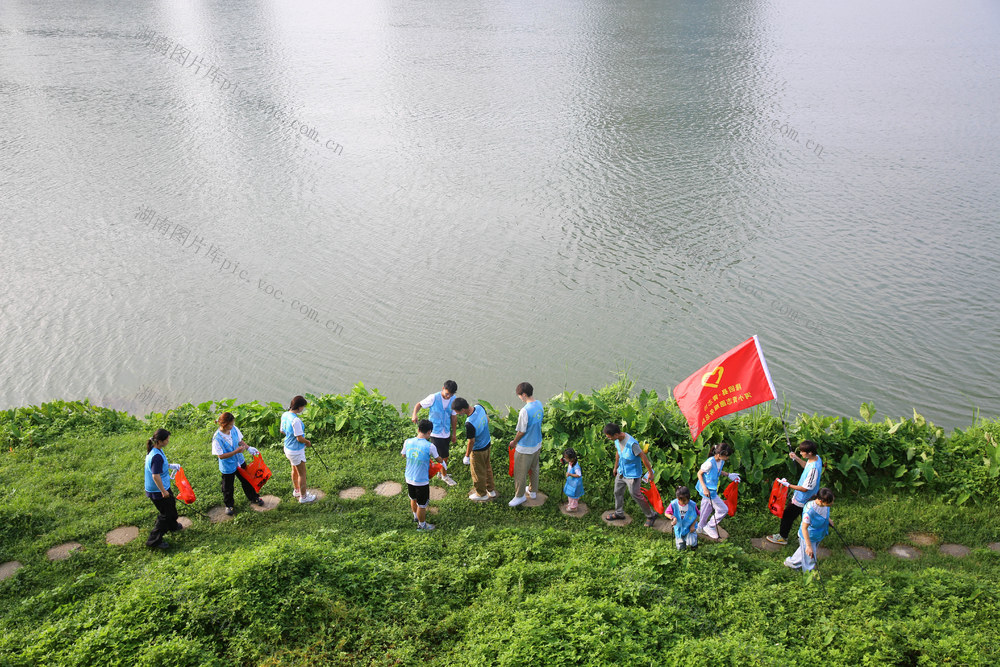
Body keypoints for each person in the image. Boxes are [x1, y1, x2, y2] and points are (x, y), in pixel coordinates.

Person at [767, 440, 823, 546]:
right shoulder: (816, 458)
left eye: (802, 452)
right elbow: (806, 465)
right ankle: (807, 538)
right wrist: (796, 458)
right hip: (806, 497)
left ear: (810, 453)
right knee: (806, 518)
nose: (801, 453)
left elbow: (805, 489)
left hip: (803, 498)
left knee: (788, 515)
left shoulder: (814, 469)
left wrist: (787, 485)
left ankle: (783, 537)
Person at [603, 423, 658, 527]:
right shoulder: (617, 440)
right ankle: (619, 513)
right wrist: (615, 467)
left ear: (616, 434)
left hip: (632, 475)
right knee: (617, 492)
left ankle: (651, 515)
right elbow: (618, 452)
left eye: (609, 437)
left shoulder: (632, 444)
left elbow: (643, 457)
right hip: (621, 472)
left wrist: (650, 472)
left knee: (635, 495)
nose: (608, 439)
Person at [212, 412, 265, 515]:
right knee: (228, 487)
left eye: (233, 424)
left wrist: (248, 448)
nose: (232, 426)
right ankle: (229, 505)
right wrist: (236, 451)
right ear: (224, 424)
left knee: (247, 480)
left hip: (239, 461)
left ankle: (254, 497)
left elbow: (240, 441)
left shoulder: (234, 429)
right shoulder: (217, 438)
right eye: (230, 425)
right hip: (228, 465)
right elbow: (220, 456)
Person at [410, 380, 459, 486]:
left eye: (451, 395)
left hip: (446, 432)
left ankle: (440, 472)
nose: (448, 396)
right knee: (444, 456)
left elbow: (454, 417)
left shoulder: (453, 400)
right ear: (443, 388)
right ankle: (444, 476)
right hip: (435, 432)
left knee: (443, 454)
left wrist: (454, 434)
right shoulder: (433, 397)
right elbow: (419, 405)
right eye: (447, 394)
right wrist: (414, 414)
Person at [402, 419, 447, 531]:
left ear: (418, 429)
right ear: (429, 432)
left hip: (409, 477)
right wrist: (443, 462)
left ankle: (416, 517)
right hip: (421, 480)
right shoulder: (430, 446)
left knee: (413, 498)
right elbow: (438, 459)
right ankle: (422, 526)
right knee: (422, 505)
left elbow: (403, 455)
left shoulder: (407, 442)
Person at [144, 428, 181, 550]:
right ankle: (153, 541)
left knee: (171, 506)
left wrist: (170, 466)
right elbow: (155, 476)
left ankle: (173, 526)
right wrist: (163, 491)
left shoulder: (156, 450)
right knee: (166, 514)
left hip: (162, 487)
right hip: (158, 490)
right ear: (159, 441)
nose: (168, 441)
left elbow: (159, 467)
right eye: (166, 440)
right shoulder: (156, 456)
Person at [508, 382, 543, 507]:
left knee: (520, 472)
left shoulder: (525, 410)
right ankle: (533, 491)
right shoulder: (539, 404)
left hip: (525, 447)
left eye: (519, 395)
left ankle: (519, 496)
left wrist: (514, 442)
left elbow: (521, 431)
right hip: (537, 443)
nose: (519, 398)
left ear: (524, 395)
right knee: (534, 469)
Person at [454, 397, 496, 501]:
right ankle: (491, 490)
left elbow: (471, 441)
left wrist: (467, 456)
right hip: (487, 443)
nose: (457, 414)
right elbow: (487, 420)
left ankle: (481, 494)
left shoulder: (469, 423)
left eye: (457, 412)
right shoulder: (479, 407)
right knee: (487, 468)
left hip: (478, 450)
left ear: (462, 410)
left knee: (477, 473)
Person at [696, 442, 740, 539]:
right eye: (726, 456)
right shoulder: (709, 463)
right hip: (707, 491)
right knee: (723, 509)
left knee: (706, 508)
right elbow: (699, 474)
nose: (727, 458)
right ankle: (710, 526)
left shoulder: (720, 461)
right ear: (720, 455)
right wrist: (704, 488)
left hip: (712, 490)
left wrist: (728, 474)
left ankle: (700, 526)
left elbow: (717, 471)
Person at [784, 487, 835, 571]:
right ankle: (809, 574)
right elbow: (804, 528)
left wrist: (828, 520)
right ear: (821, 501)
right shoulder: (809, 511)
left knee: (803, 551)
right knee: (810, 557)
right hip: (809, 536)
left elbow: (824, 512)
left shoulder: (825, 504)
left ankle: (791, 563)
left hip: (818, 534)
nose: (832, 503)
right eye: (830, 502)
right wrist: (808, 546)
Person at [280, 395, 316, 503]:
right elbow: (299, 438)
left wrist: (290, 434)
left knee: (294, 470)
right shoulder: (296, 420)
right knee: (302, 474)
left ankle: (297, 490)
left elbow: (282, 430)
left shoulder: (285, 414)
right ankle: (304, 497)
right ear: (299, 407)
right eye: (303, 407)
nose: (303, 409)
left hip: (287, 447)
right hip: (296, 451)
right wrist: (307, 442)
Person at [665, 486, 699, 550]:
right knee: (680, 546)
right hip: (679, 528)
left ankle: (694, 547)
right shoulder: (673, 504)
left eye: (687, 500)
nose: (686, 502)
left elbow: (696, 515)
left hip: (689, 527)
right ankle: (682, 548)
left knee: (692, 542)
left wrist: (692, 525)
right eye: (683, 501)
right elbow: (666, 513)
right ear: (678, 498)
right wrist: (673, 518)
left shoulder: (692, 505)